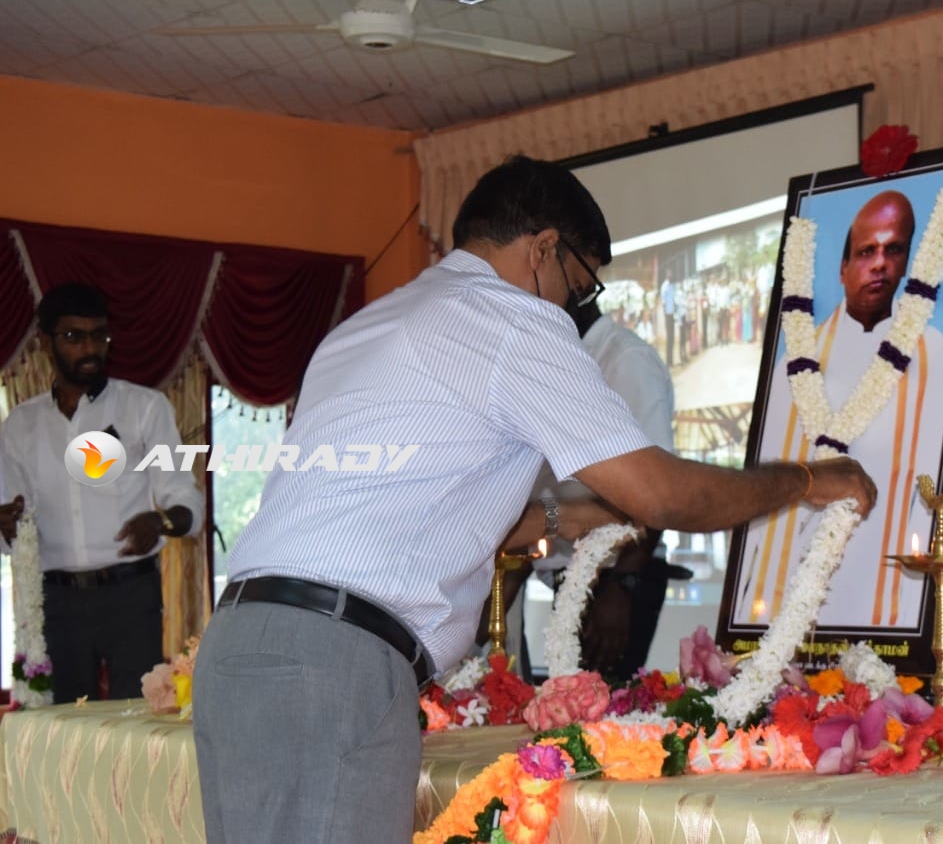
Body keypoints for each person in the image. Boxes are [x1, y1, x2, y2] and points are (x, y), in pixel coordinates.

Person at [192, 155, 876, 843]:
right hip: (334, 664)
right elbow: (664, 495)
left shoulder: (371, 325)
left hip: (243, 642)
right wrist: (807, 480)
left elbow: (442, 508)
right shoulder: (511, 319)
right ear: (543, 248)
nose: (573, 310)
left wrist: (579, 515)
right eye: (577, 288)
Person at [734, 190, 943, 632]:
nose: (880, 264)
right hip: (792, 575)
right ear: (843, 267)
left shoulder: (932, 353)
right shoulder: (794, 361)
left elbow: (934, 485)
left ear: (907, 262)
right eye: (866, 251)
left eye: (894, 250)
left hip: (889, 576)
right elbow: (765, 483)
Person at [0, 283, 202, 704]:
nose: (90, 348)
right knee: (64, 725)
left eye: (99, 335)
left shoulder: (145, 407)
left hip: (130, 595)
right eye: (74, 336)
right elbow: (13, 526)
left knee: (138, 720)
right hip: (56, 601)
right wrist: (5, 525)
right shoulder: (20, 424)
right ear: (46, 342)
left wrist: (160, 520)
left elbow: (186, 501)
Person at [528, 288, 679, 682]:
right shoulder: (559, 359)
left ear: (577, 287)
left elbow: (658, 490)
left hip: (618, 578)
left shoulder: (626, 360)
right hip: (568, 573)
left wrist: (621, 585)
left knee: (603, 711)